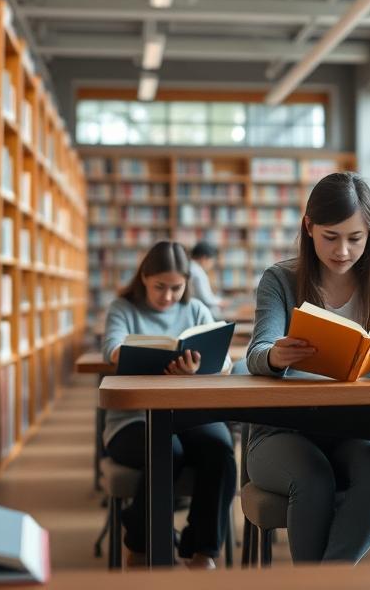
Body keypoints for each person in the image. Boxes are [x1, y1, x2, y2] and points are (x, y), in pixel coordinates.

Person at [245, 172, 370, 563]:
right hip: (285, 430)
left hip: (365, 428)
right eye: (331, 237)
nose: (343, 251)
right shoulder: (280, 279)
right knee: (312, 479)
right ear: (309, 227)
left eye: (355, 238)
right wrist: (275, 356)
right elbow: (257, 350)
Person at [102, 241, 236, 569]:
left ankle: (203, 551)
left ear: (187, 283)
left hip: (188, 414)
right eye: (160, 287)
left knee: (220, 451)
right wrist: (150, 355)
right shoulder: (124, 308)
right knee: (168, 451)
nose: (167, 297)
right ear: (144, 277)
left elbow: (226, 363)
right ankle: (142, 544)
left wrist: (198, 368)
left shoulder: (196, 311)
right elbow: (112, 350)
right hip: (131, 420)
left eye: (176, 288)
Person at [188, 241, 223, 318]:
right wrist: (221, 302)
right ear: (204, 258)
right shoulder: (198, 272)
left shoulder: (189, 267)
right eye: (212, 261)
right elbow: (206, 299)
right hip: (199, 313)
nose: (211, 265)